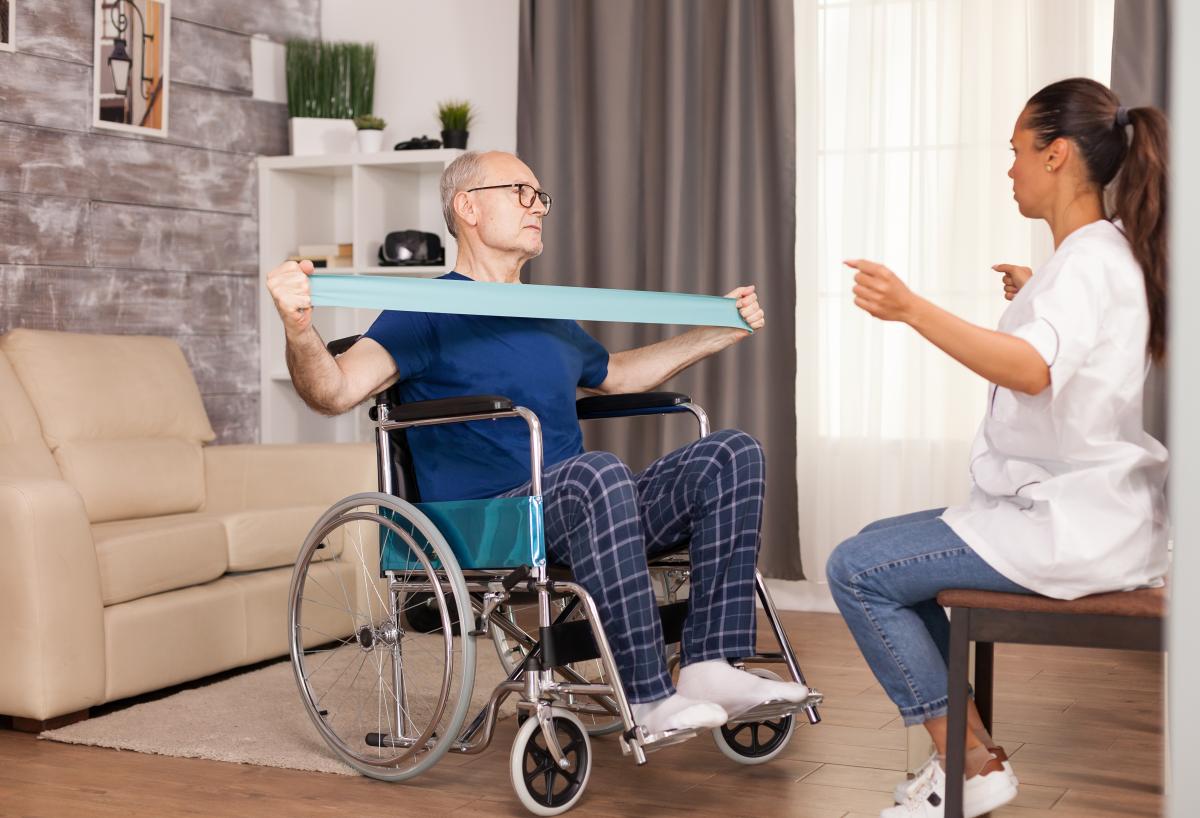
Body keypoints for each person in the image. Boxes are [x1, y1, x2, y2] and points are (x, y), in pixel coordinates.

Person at [266, 150, 809, 736]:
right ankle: (648, 696)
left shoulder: (545, 312)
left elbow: (618, 375)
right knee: (597, 472)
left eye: (540, 196)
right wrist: (300, 329)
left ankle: (709, 664)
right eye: (520, 193)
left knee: (732, 454)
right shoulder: (424, 310)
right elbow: (335, 391)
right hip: (492, 518)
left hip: (584, 506)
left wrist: (716, 333)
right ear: (467, 207)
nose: (538, 207)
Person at [828, 77, 1169, 818]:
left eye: (1016, 152)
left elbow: (1034, 369)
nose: (1007, 168)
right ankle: (970, 757)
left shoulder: (1086, 262)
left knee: (856, 569)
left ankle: (970, 766)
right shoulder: (1097, 257)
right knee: (881, 545)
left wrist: (912, 308)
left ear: (1057, 155)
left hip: (1070, 526)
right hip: (1085, 512)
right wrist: (1030, 294)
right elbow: (1067, 341)